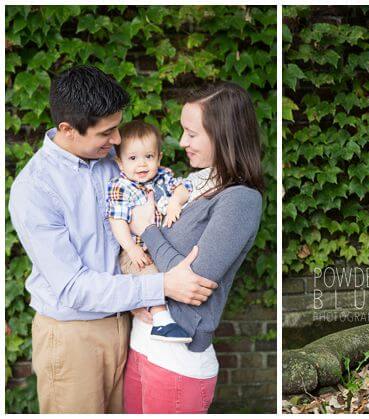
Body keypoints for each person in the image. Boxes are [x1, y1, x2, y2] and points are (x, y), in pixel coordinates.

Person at [7, 65, 217, 413]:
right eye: (107, 132)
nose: (117, 140)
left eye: (117, 128)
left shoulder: (111, 163)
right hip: (74, 336)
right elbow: (73, 287)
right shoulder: (35, 189)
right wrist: (163, 286)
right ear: (68, 130)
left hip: (128, 321)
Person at [122, 82, 264, 414]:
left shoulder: (240, 199)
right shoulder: (195, 185)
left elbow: (192, 286)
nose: (182, 142)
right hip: (140, 343)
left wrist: (147, 230)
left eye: (191, 133)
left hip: (177, 362)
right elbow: (165, 274)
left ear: (224, 134)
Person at [107, 120, 194, 343]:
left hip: (163, 245)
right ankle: (162, 320)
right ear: (119, 162)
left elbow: (185, 188)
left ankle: (177, 315)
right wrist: (130, 247)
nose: (142, 164)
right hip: (136, 250)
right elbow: (117, 221)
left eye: (149, 156)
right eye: (133, 158)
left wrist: (175, 201)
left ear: (159, 157)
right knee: (147, 273)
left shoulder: (164, 176)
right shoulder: (121, 186)